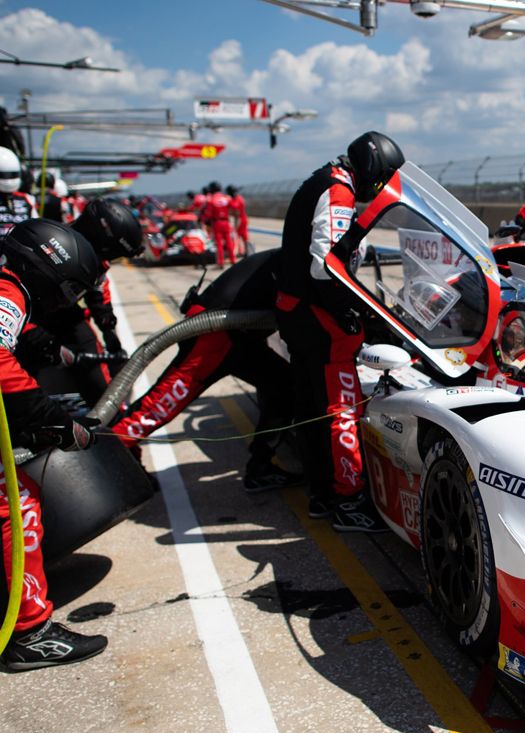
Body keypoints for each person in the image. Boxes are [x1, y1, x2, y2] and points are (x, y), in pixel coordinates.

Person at [273, 130, 404, 533]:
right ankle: (347, 500)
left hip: (297, 311)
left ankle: (323, 494)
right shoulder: (339, 190)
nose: (378, 187)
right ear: (369, 167)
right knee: (341, 407)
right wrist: (347, 312)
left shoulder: (324, 178)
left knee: (312, 407)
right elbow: (324, 266)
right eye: (380, 178)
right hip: (316, 318)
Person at [0, 218, 108, 670]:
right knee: (15, 500)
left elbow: (18, 334)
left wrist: (50, 349)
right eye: (66, 288)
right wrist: (53, 419)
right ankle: (30, 632)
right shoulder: (8, 292)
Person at [109, 248, 301, 492]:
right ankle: (95, 465)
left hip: (235, 336)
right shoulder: (301, 259)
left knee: (284, 387)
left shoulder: (294, 254)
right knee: (156, 410)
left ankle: (260, 469)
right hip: (214, 335)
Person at [15, 199, 143, 405]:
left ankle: (106, 415)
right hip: (23, 318)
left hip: (63, 315)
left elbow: (98, 291)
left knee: (95, 365)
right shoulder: (47, 243)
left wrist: (108, 326)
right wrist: (33, 333)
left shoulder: (96, 262)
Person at [0, 146, 37, 237]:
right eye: (4, 175)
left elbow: (36, 227)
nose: (8, 179)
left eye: (12, 174)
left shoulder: (27, 199)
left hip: (19, 248)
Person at [201, 181, 235, 268]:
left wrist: (204, 220)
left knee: (219, 243)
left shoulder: (211, 200)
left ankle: (220, 262)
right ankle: (233, 260)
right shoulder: (226, 198)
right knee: (229, 242)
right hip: (226, 221)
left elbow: (208, 214)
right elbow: (233, 207)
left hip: (217, 222)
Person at [227, 185, 250, 260]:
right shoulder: (239, 198)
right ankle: (243, 251)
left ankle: (245, 251)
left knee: (241, 236)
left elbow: (236, 211)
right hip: (241, 218)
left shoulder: (237, 200)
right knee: (240, 236)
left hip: (240, 219)